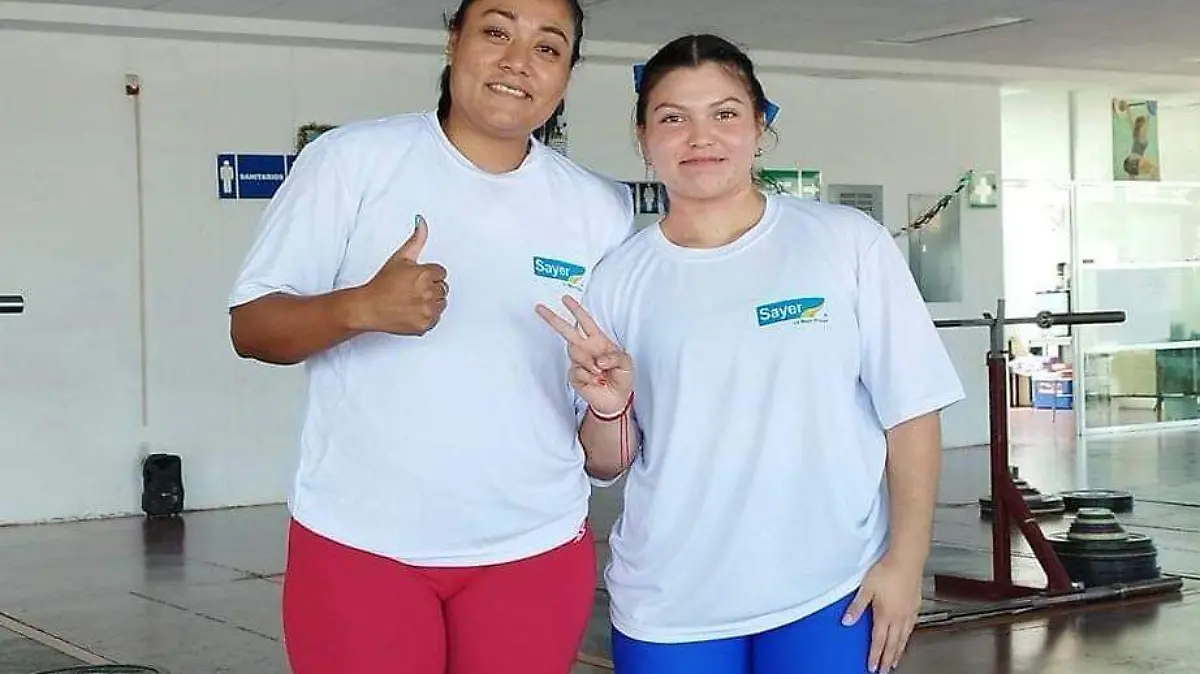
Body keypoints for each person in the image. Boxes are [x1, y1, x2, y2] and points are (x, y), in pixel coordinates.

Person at [537, 34, 965, 674]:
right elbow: (607, 463)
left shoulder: (845, 243)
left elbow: (913, 414)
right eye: (673, 118)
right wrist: (608, 408)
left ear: (761, 127)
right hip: (671, 600)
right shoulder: (618, 278)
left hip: (831, 590)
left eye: (725, 114)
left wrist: (906, 562)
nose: (700, 137)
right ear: (644, 137)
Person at [226, 0, 634, 671]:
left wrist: (608, 404)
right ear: (454, 41)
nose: (517, 62)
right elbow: (252, 327)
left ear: (567, 72)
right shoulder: (353, 161)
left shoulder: (600, 207)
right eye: (496, 32)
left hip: (533, 547)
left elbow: (605, 446)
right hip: (362, 544)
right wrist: (360, 307)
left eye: (547, 47)